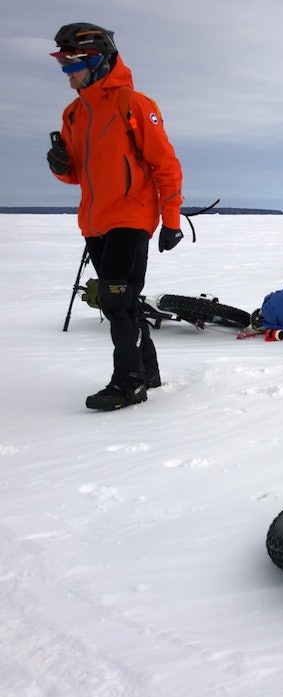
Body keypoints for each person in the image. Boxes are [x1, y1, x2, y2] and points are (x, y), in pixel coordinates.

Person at [48, 23, 184, 411]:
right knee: (121, 301)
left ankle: (129, 383)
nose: (66, 74)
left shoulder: (134, 104)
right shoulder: (73, 114)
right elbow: (76, 174)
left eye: (69, 64)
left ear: (95, 60)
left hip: (132, 216)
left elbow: (166, 165)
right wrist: (58, 166)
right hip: (95, 222)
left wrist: (171, 220)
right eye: (62, 65)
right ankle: (148, 370)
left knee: (114, 298)